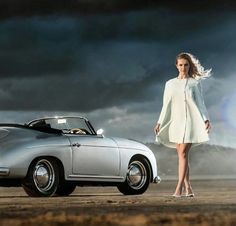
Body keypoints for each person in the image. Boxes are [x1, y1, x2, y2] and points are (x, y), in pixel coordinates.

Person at [154, 52, 211, 198]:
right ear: (176, 66)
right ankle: (188, 187)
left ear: (189, 66)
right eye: (180, 65)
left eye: (186, 65)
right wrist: (160, 122)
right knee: (181, 155)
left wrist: (206, 119)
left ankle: (178, 188)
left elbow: (201, 103)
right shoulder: (170, 84)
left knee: (183, 153)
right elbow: (165, 105)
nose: (183, 67)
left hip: (191, 121)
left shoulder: (194, 83)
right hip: (176, 122)